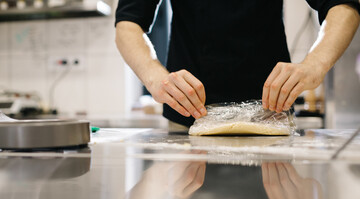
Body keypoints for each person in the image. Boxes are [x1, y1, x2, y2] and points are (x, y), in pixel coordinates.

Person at [115, 0, 360, 128]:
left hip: (271, 119)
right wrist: (156, 77)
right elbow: (128, 24)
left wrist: (314, 64)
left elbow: (343, 7)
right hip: (188, 121)